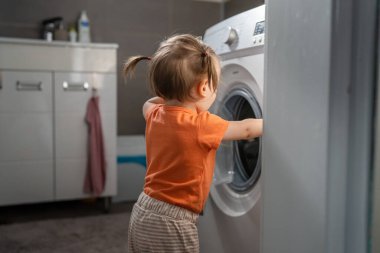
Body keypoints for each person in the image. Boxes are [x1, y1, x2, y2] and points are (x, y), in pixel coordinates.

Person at [123, 34, 263, 253]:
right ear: (204, 89)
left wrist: (171, 94)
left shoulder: (154, 114)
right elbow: (246, 129)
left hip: (143, 210)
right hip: (174, 221)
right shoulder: (201, 124)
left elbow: (148, 102)